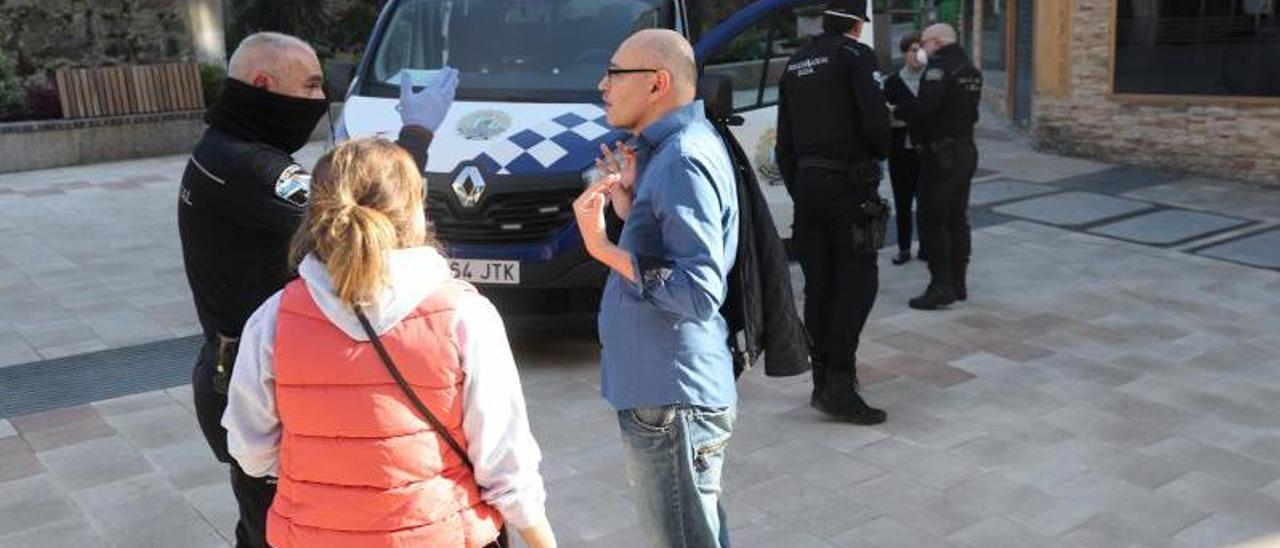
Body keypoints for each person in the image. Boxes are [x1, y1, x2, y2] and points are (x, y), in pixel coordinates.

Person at [177, 31, 456, 547]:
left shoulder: (222, 150)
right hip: (255, 386)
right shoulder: (252, 166)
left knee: (266, 523)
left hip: (235, 373)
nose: (317, 100)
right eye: (309, 87)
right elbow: (364, 222)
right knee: (280, 526)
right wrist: (415, 134)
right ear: (264, 85)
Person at [222, 138, 557, 548]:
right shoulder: (465, 315)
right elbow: (506, 466)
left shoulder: (273, 319)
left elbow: (250, 452)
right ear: (417, 208)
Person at [573, 29, 739, 548]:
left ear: (656, 83)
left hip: (672, 399)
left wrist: (602, 247)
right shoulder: (671, 152)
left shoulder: (682, 157)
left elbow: (697, 292)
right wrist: (630, 209)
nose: (603, 84)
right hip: (667, 392)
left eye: (615, 72)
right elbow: (671, 251)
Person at [775, 0, 890, 425]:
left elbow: (784, 144)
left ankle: (823, 382)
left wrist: (801, 184)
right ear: (858, 25)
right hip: (847, 187)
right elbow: (877, 126)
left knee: (819, 286)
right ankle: (840, 386)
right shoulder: (855, 56)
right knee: (857, 283)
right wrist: (877, 153)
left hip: (807, 188)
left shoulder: (796, 62)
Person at [894, 23, 982, 309]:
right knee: (958, 219)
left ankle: (941, 286)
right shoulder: (970, 70)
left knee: (933, 220)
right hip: (966, 150)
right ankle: (958, 283)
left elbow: (925, 109)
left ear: (937, 42)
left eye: (924, 43)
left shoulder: (939, 69)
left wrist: (896, 111)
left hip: (941, 155)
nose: (921, 49)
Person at [884, 34, 927, 266]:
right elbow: (887, 117)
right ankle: (903, 248)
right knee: (902, 202)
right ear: (903, 53)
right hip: (900, 152)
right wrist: (910, 113)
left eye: (920, 49)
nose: (916, 54)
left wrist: (901, 111)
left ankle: (925, 247)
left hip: (925, 150)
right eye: (912, 49)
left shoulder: (931, 79)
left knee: (925, 202)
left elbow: (928, 113)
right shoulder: (892, 82)